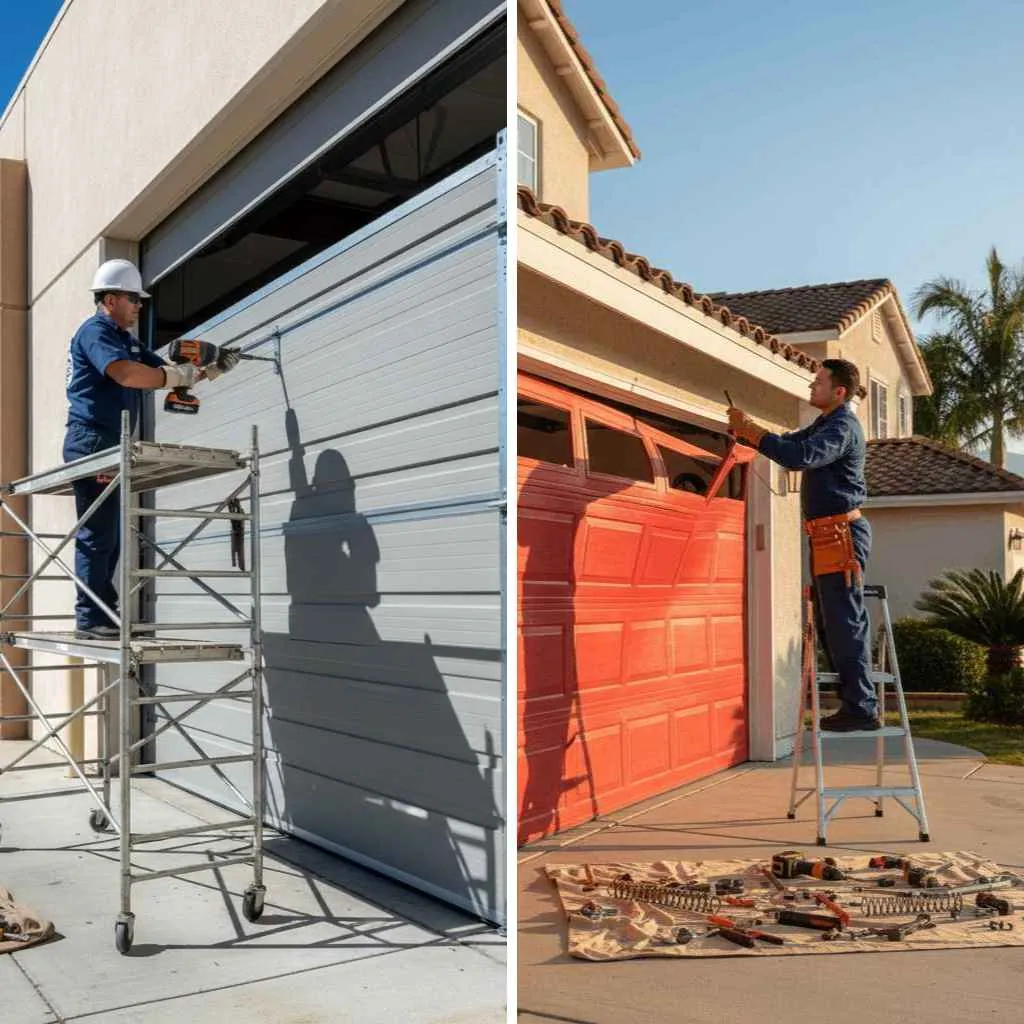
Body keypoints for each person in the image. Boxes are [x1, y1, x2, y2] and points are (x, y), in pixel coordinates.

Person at [63, 259, 217, 638]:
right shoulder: (96, 332)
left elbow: (159, 367)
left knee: (111, 536)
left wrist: (203, 369)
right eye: (134, 299)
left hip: (110, 441)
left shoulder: (124, 338)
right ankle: (90, 618)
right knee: (98, 535)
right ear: (111, 298)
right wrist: (172, 377)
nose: (139, 306)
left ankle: (103, 611)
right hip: (92, 440)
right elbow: (129, 375)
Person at [728, 358, 879, 732]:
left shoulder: (842, 426)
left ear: (839, 391)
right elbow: (790, 443)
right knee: (833, 624)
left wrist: (751, 430)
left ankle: (862, 706)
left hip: (841, 537)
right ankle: (855, 702)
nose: (812, 387)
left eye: (819, 382)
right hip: (827, 537)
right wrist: (751, 432)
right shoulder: (825, 424)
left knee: (844, 622)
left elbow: (799, 457)